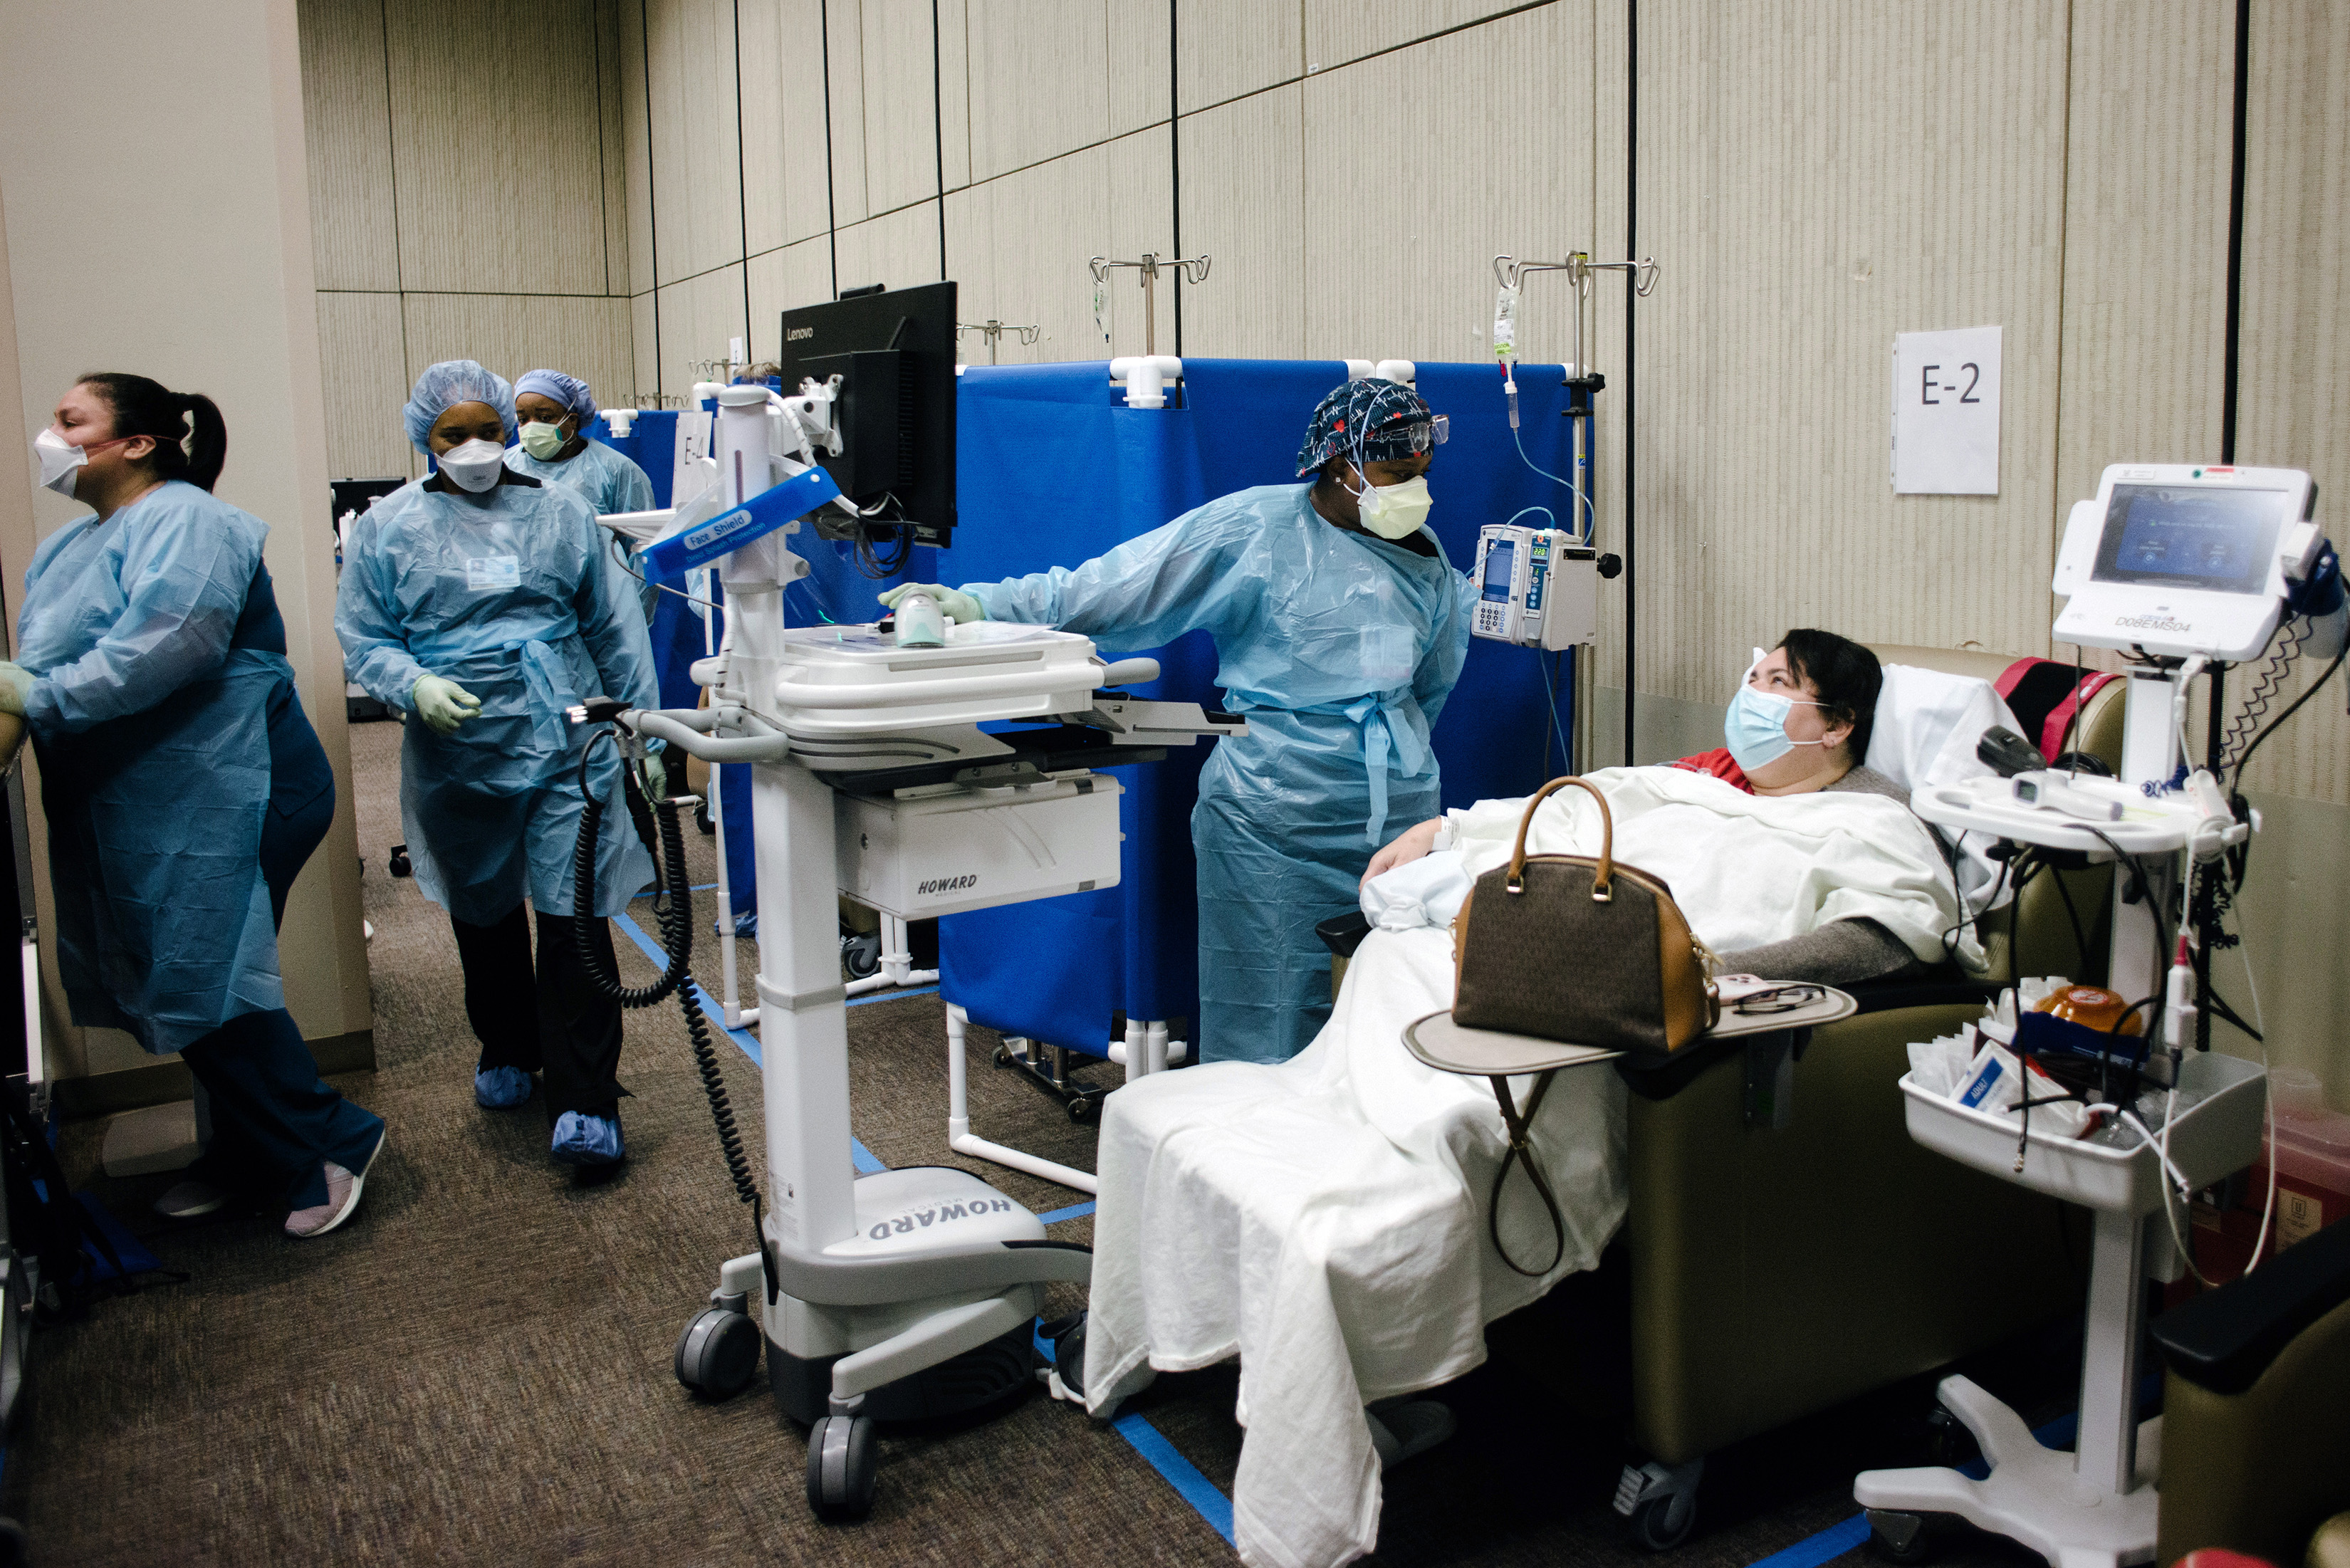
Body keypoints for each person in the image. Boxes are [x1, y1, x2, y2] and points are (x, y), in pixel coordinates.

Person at [880, 377, 1473, 1062]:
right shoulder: (1254, 531)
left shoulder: (1421, 551)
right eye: (1398, 474)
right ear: (1342, 465)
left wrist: (1395, 767)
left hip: (1399, 822)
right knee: (1272, 1018)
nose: (1415, 492)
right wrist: (980, 608)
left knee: (1385, 1013)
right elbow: (1107, 590)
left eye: (1422, 475)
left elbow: (1430, 685)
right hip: (1272, 826)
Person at [5, 372, 385, 1238]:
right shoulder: (73, 547)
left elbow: (164, 649)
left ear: (136, 442)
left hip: (240, 786)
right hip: (150, 799)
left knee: (210, 983)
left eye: (71, 421)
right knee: (179, 981)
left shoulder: (190, 519)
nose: (51, 437)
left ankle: (333, 1140)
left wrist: (35, 698)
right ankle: (246, 1151)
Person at [335, 360, 662, 1167]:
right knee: (482, 910)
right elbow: (364, 633)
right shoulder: (387, 527)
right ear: (424, 438)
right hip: (457, 741)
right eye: (456, 434)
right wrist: (411, 684)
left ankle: (586, 1097)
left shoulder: (560, 511)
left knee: (572, 911)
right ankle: (507, 1048)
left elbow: (613, 625)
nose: (477, 447)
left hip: (563, 733)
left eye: (490, 430)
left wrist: (645, 735)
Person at [1367, 627, 1927, 986]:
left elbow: (1878, 936)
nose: (1751, 695)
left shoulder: (1873, 816)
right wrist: (1444, 830)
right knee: (1398, 956)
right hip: (1574, 943)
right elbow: (1579, 809)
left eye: (1777, 683)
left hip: (1650, 985)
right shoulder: (1705, 776)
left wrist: (1705, 974)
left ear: (1838, 724)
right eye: (1751, 679)